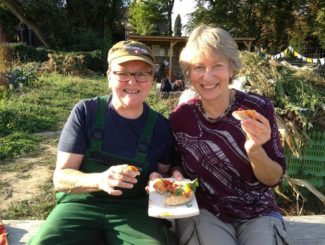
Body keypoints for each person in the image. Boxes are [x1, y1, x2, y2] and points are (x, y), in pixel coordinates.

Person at [29, 40, 176, 245]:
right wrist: (99, 180)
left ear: (152, 79)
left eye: (141, 74)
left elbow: (164, 174)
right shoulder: (86, 112)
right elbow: (60, 178)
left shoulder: (161, 126)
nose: (132, 82)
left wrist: (157, 178)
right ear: (109, 76)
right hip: (80, 204)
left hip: (134, 211)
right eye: (122, 73)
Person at [169, 24, 289, 245]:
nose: (208, 76)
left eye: (217, 65)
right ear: (189, 72)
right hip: (208, 211)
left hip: (258, 212)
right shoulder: (181, 117)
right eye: (198, 67)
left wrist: (254, 150)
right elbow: (176, 162)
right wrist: (176, 174)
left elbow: (273, 178)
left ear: (232, 69)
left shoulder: (256, 109)